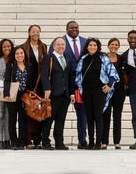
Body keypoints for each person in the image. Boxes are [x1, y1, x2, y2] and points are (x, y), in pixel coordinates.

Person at [75, 38, 119, 150]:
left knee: (98, 116)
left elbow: (113, 73)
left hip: (100, 91)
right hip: (86, 91)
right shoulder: (83, 58)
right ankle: (91, 142)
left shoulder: (103, 58)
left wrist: (109, 85)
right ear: (87, 46)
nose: (92, 47)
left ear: (98, 46)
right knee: (89, 117)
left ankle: (98, 143)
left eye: (95, 45)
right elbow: (78, 75)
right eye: (90, 45)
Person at [55, 20, 88, 149]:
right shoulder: (59, 42)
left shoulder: (85, 41)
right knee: (59, 114)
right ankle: (58, 141)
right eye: (71, 28)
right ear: (66, 29)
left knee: (82, 114)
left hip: (81, 84)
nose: (74, 29)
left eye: (76, 27)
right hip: (65, 84)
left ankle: (82, 140)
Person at [40, 37, 75, 150]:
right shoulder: (48, 57)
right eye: (58, 44)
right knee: (48, 120)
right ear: (54, 46)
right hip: (53, 94)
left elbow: (69, 77)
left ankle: (59, 142)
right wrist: (46, 88)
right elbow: (44, 75)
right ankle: (45, 142)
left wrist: (72, 93)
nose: (61, 46)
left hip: (65, 95)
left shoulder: (66, 58)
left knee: (61, 120)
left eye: (63, 44)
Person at [4, 46, 35, 150]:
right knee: (12, 120)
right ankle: (14, 142)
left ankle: (22, 142)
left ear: (24, 54)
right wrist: (6, 93)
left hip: (24, 96)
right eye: (17, 53)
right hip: (13, 96)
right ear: (14, 55)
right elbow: (7, 80)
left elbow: (31, 81)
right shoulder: (11, 65)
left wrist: (30, 95)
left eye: (21, 53)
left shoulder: (29, 65)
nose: (19, 55)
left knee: (23, 120)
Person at [21, 25, 47, 148]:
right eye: (33, 31)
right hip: (29, 83)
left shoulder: (44, 47)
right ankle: (28, 140)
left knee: (40, 111)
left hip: (41, 84)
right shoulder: (23, 47)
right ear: (29, 33)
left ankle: (38, 139)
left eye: (37, 31)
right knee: (29, 111)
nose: (35, 33)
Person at [101, 38, 126, 149]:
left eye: (116, 45)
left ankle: (117, 142)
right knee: (105, 116)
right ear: (108, 45)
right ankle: (104, 141)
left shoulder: (121, 59)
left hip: (119, 92)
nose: (114, 46)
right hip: (106, 90)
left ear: (118, 47)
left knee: (117, 116)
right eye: (112, 44)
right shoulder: (103, 58)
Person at [122, 30, 136, 149]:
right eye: (131, 38)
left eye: (135, 38)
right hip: (134, 89)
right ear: (128, 39)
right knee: (135, 115)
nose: (133, 40)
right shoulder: (124, 55)